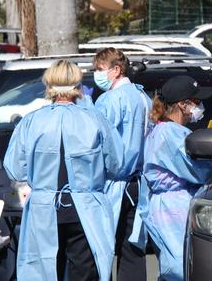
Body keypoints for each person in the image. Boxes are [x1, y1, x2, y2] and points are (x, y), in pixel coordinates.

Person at [3, 60, 124, 281]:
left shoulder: (32, 121)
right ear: (78, 86)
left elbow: (15, 169)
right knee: (84, 272)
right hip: (85, 211)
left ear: (48, 85)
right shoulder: (95, 119)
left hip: (43, 210)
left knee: (42, 272)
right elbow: (116, 164)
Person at [141, 75, 212, 281]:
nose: (200, 106)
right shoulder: (169, 133)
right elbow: (198, 172)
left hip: (176, 204)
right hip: (173, 207)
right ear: (182, 105)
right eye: (196, 101)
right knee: (181, 268)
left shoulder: (172, 131)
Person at [92, 48, 150, 280]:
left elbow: (97, 142)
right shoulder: (142, 97)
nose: (96, 74)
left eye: (99, 69)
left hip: (113, 183)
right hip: (138, 183)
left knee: (100, 248)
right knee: (133, 248)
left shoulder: (110, 100)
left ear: (116, 70)